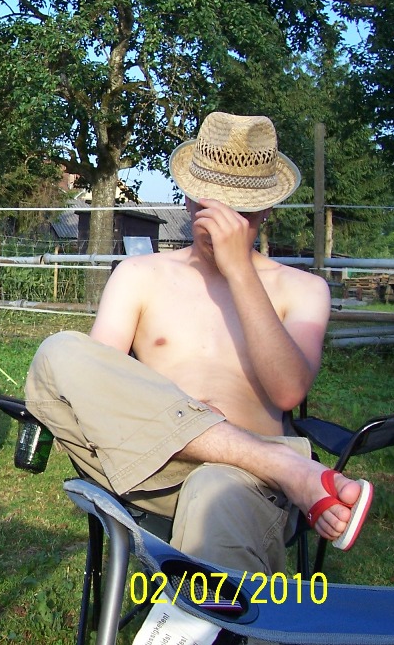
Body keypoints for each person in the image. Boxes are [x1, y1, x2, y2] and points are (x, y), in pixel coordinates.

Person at [25, 112, 372, 575]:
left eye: (242, 213)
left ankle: (204, 605)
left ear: (267, 209)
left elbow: (288, 391)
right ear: (190, 199)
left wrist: (240, 270)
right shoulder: (140, 275)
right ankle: (287, 467)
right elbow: (96, 385)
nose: (224, 226)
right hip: (150, 467)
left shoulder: (303, 290)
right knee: (59, 352)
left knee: (213, 495)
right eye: (215, 207)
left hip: (243, 482)